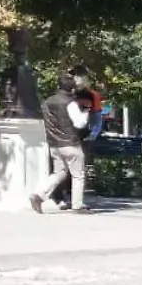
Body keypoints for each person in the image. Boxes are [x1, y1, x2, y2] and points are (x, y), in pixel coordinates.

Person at [32, 71, 91, 213]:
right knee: (78, 174)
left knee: (59, 172)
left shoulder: (47, 102)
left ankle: (39, 195)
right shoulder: (70, 103)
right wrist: (86, 112)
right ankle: (77, 205)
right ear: (71, 89)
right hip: (70, 143)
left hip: (54, 144)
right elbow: (79, 123)